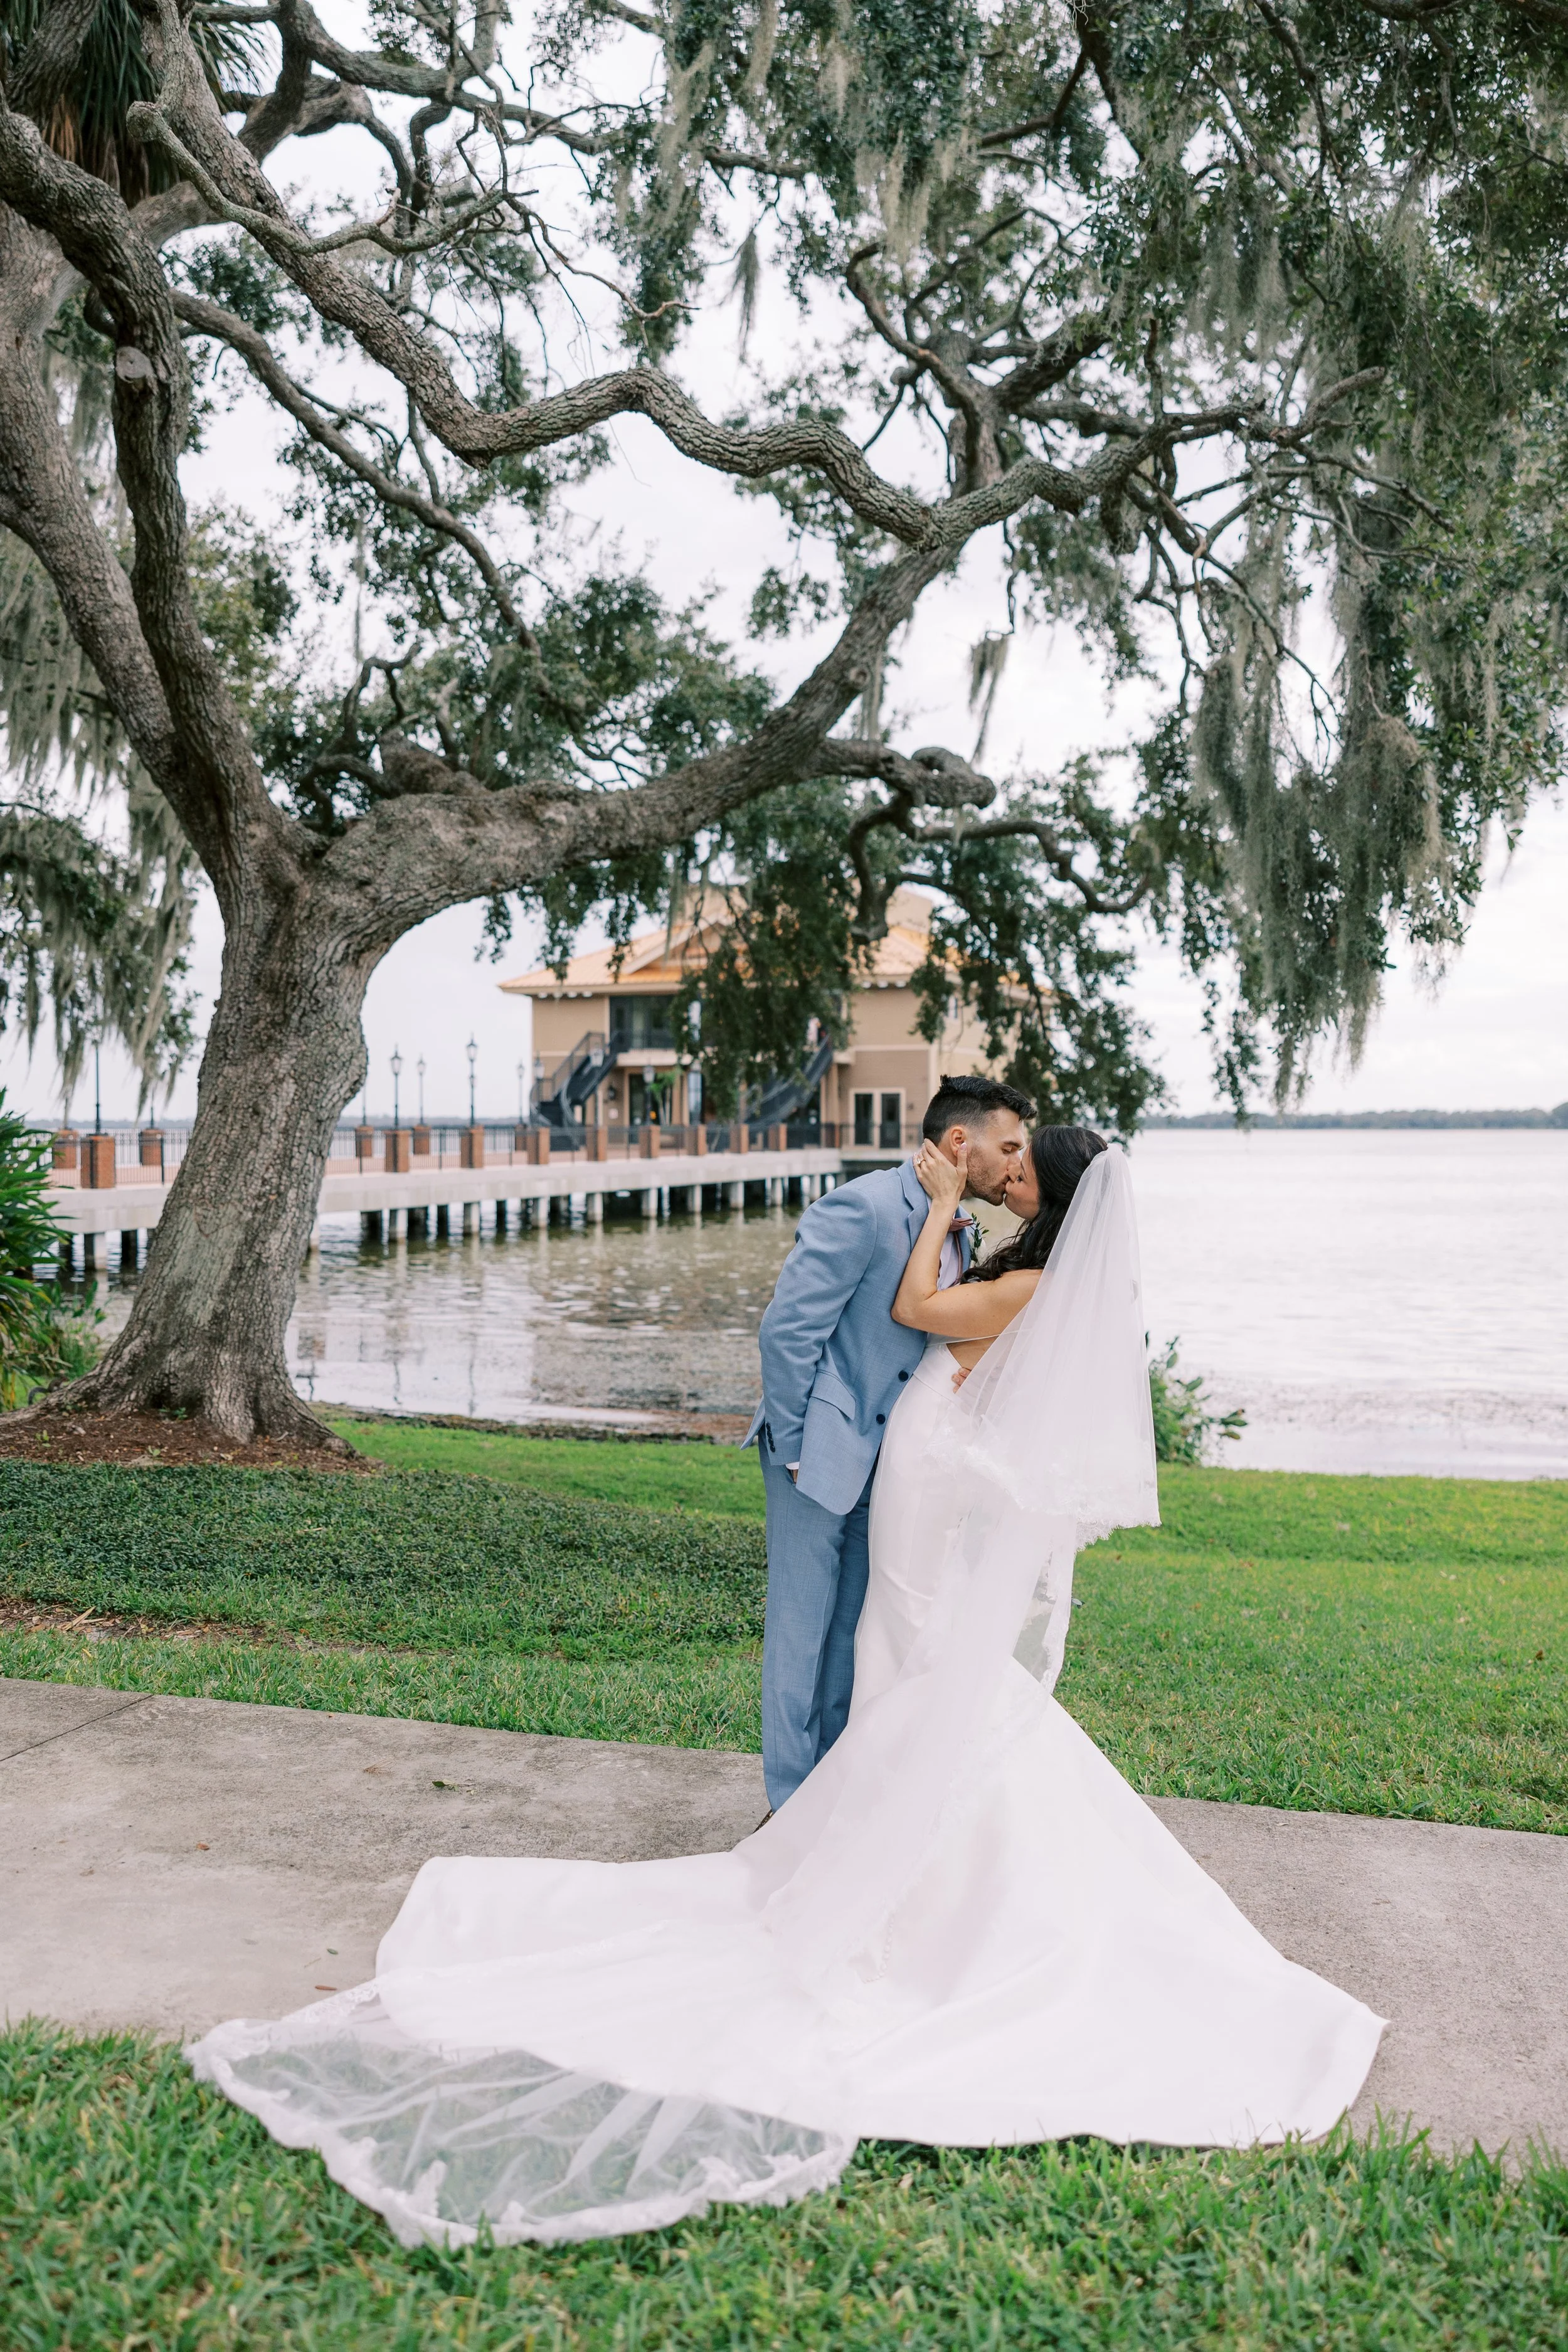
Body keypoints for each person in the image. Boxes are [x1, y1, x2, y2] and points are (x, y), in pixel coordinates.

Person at [191, 1121, 1384, 2248]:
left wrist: (937, 1209)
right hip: (924, 1460)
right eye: (1007, 1152)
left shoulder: (1027, 1281)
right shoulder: (1032, 1261)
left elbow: (920, 1311)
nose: (1006, 1167)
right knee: (899, 1658)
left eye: (1025, 1163)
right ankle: (886, 1836)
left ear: (1055, 1194)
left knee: (917, 1659)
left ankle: (927, 1877)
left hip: (931, 1473)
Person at [746, 1073, 1032, 1812]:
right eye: (1008, 1148)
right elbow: (787, 1333)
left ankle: (829, 1796)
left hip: (893, 1466)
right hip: (818, 1452)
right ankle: (786, 1805)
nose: (1016, 1165)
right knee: (801, 1636)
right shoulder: (865, 1207)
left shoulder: (956, 1224)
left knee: (851, 1634)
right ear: (960, 1142)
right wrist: (796, 1445)